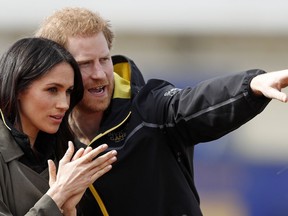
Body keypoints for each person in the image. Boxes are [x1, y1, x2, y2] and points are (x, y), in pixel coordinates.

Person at [35, 7, 288, 216]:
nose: (100, 73)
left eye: (104, 59)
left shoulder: (150, 109)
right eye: (85, 64)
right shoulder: (44, 137)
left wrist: (251, 86)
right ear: (58, 70)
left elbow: (192, 102)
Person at [0, 37, 117, 216]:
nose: (64, 104)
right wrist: (58, 195)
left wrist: (68, 211)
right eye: (52, 89)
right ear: (18, 89)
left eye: (68, 91)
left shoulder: (66, 153)